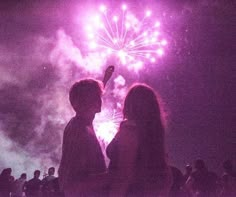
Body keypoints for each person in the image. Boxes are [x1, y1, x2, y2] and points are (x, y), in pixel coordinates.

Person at [106, 83, 172, 196]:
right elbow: (166, 175)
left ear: (130, 105)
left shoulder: (129, 129)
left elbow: (123, 176)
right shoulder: (154, 134)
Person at [58, 79, 107, 197]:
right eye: (96, 96)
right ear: (84, 101)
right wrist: (115, 175)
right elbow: (74, 182)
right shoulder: (79, 129)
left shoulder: (82, 125)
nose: (100, 100)